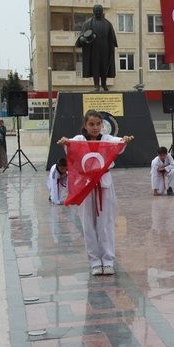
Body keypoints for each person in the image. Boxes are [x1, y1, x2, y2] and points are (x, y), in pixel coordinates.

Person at [56, 109, 134, 275]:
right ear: (85, 125)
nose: (95, 127)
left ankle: (108, 260)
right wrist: (65, 142)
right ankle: (94, 262)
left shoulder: (106, 139)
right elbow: (70, 144)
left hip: (104, 184)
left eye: (98, 124)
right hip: (85, 186)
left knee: (105, 224)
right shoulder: (79, 140)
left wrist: (124, 140)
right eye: (91, 124)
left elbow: (117, 143)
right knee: (88, 224)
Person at [76, 4, 118, 92]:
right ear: (93, 11)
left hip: (105, 50)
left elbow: (112, 38)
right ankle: (96, 85)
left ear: (102, 12)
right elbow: (81, 36)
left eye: (100, 11)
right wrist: (82, 39)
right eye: (97, 11)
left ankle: (104, 83)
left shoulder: (108, 24)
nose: (98, 12)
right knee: (95, 67)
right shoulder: (87, 23)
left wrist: (111, 49)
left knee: (104, 67)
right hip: (94, 50)